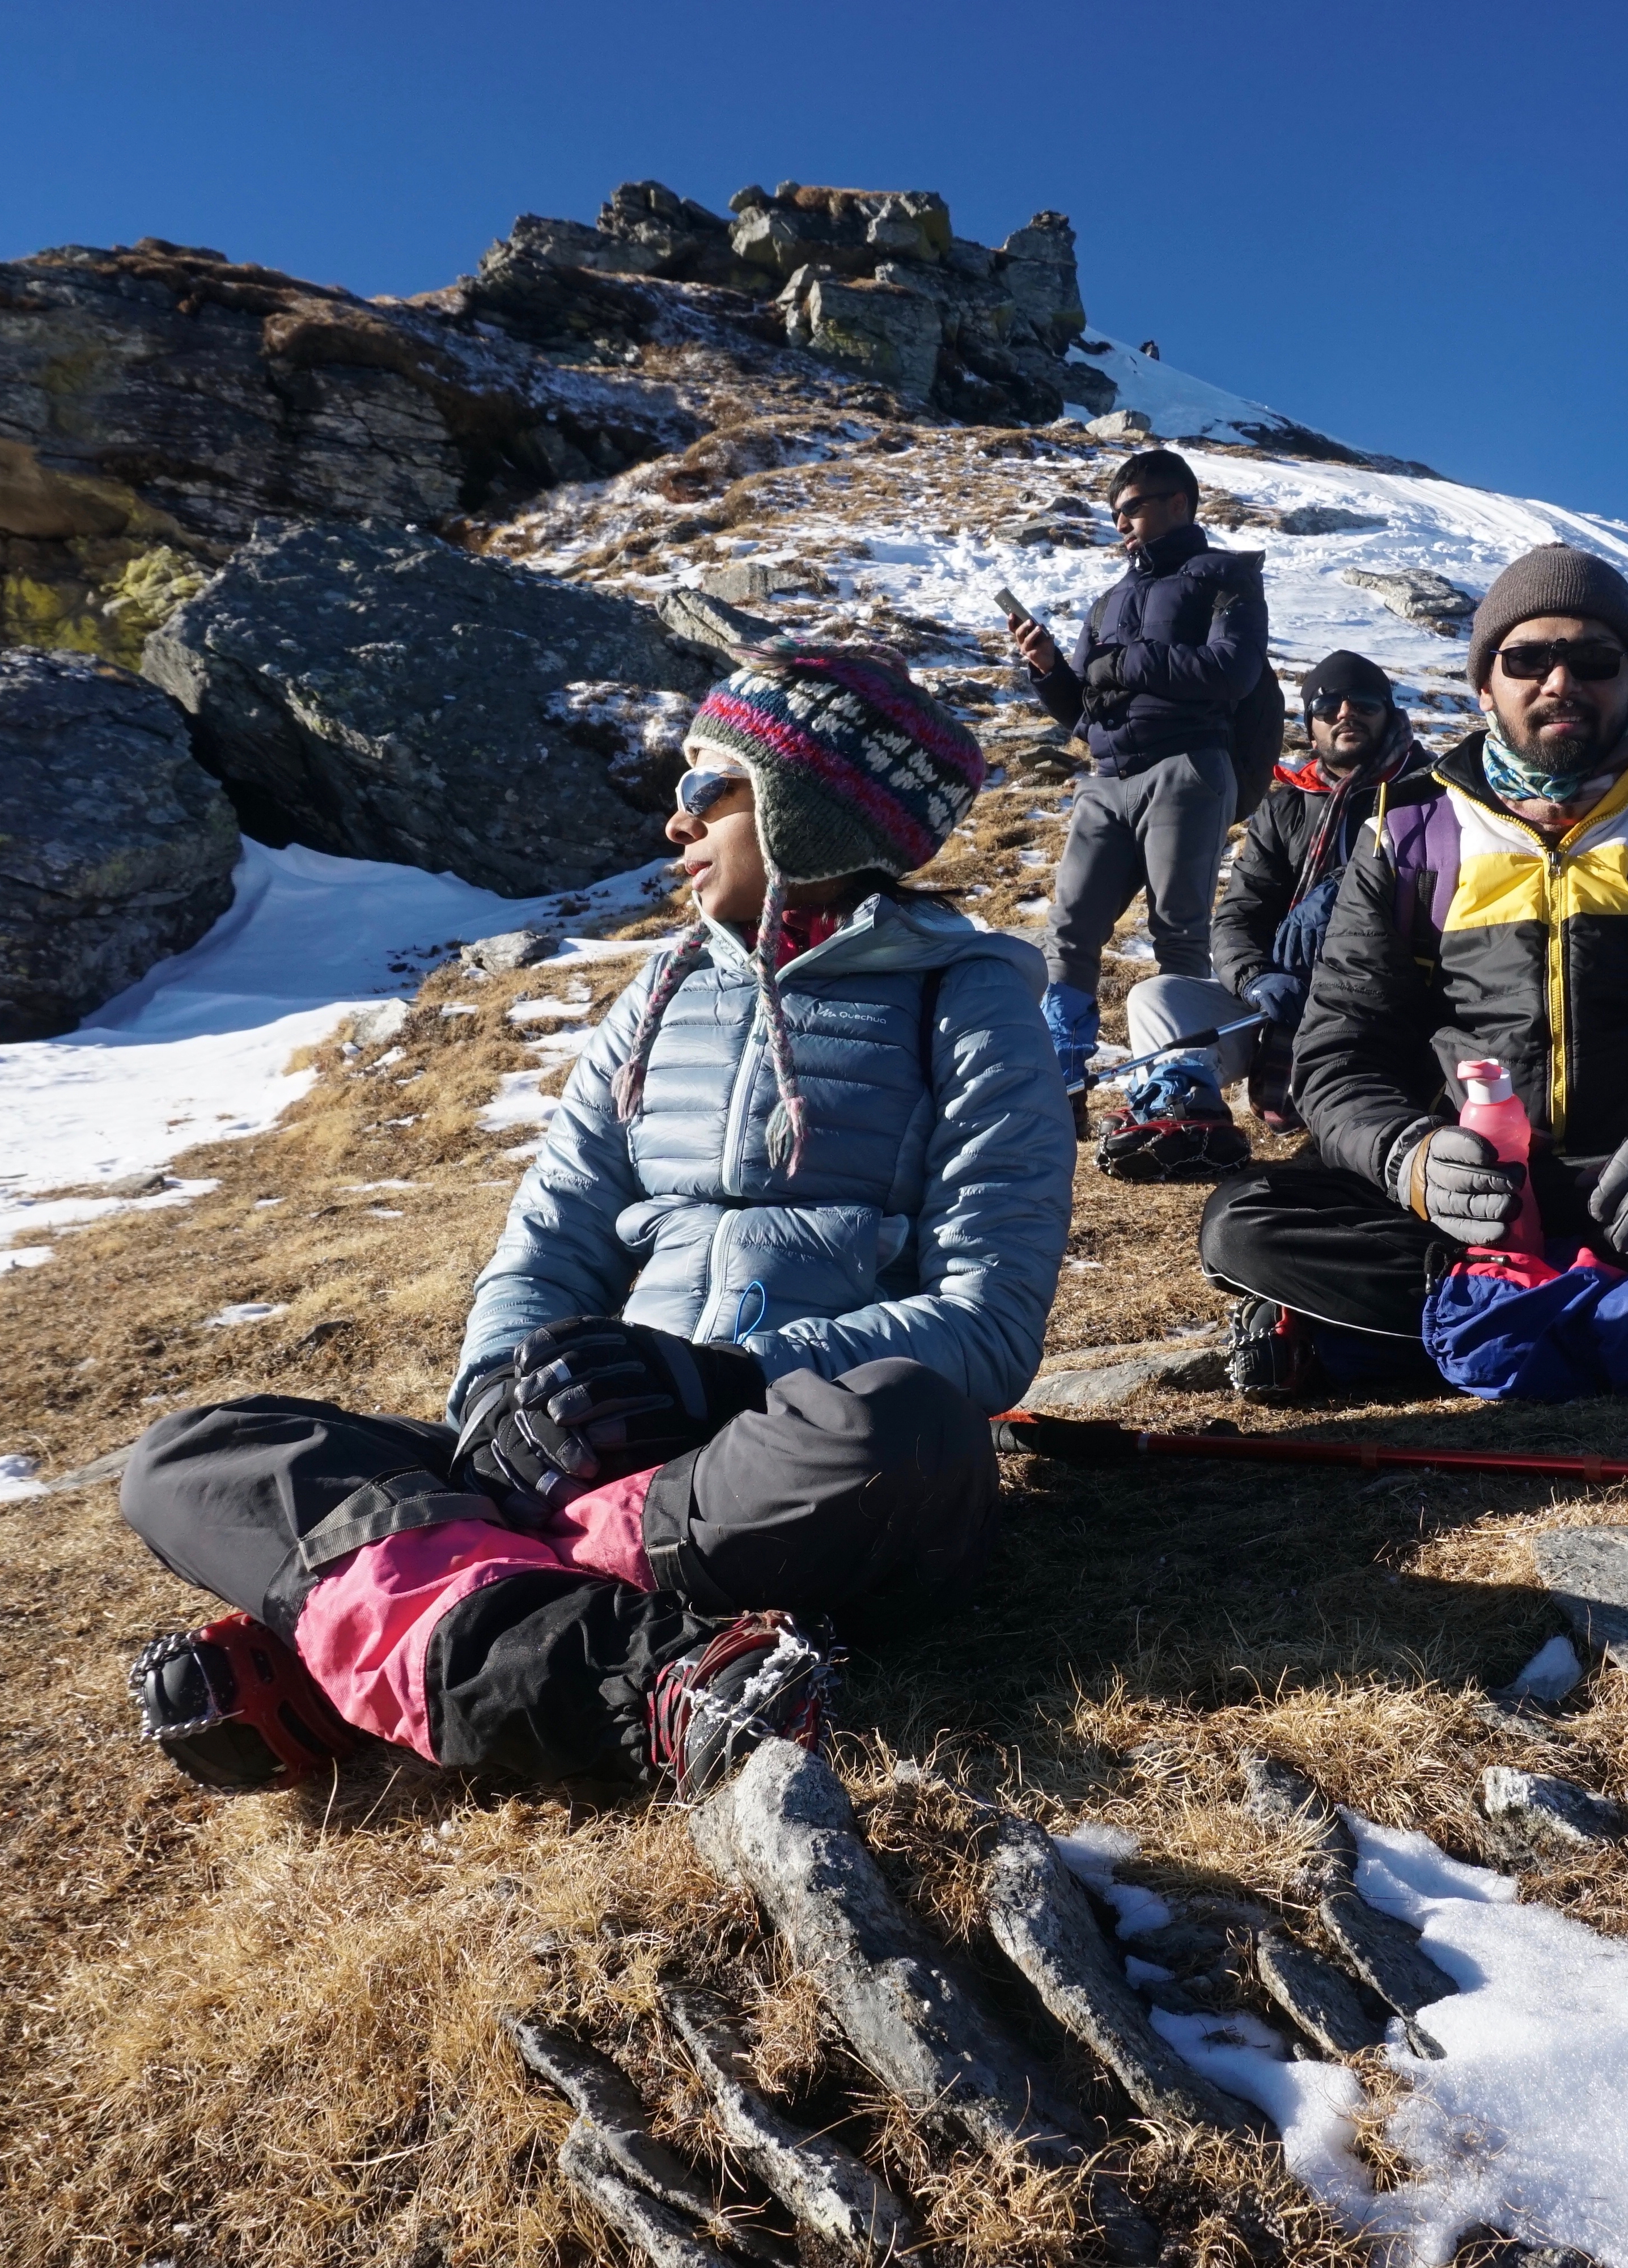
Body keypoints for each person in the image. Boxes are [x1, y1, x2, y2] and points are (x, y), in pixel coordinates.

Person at [116, 645, 1073, 1802]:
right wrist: (494, 1411)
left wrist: (710, 1379)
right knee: (190, 1458)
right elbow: (549, 1245)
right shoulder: (657, 992)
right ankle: (637, 1666)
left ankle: (392, 1628)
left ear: (806, 806)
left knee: (904, 1422)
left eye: (701, 787)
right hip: (588, 1455)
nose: (674, 825)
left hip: (760, 1462)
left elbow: (989, 1319)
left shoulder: (967, 1001)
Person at [1196, 546, 1628, 1403]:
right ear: (1487, 687)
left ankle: (1426, 1330)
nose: (1560, 681)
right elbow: (1338, 1055)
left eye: (1594, 661)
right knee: (1243, 1223)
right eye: (1527, 659)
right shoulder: (1409, 839)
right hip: (1458, 1198)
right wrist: (1413, 1159)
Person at [1094, 649, 1434, 1180]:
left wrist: (1349, 899)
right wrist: (1255, 979)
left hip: (1382, 1007)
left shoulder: (1431, 795)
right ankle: (1186, 1111)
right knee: (1158, 997)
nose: (1347, 713)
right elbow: (1239, 914)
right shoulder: (1289, 806)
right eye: (1328, 705)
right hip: (1285, 1000)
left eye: (1365, 702)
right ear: (1311, 723)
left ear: (1390, 714)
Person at [1007, 447, 1271, 1099]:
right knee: (1070, 929)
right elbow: (1081, 712)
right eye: (1114, 513)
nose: (1120, 523)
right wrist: (1047, 671)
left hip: (1188, 764)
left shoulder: (1228, 578)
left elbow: (1231, 673)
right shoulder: (1107, 604)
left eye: (1132, 508)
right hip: (1107, 778)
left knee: (1179, 929)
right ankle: (1060, 1080)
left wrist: (1128, 666)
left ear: (1178, 502)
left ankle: (1182, 1088)